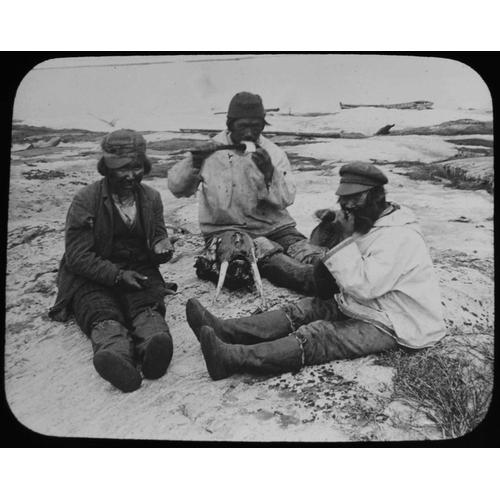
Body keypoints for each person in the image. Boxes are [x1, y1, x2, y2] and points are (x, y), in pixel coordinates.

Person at [185, 163, 447, 381]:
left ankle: (231, 359)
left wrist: (343, 239)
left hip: (398, 320)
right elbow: (330, 270)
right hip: (371, 304)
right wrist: (330, 230)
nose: (349, 207)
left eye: (356, 199)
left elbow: (365, 286)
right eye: (345, 201)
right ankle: (225, 331)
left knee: (320, 335)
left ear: (378, 196)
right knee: (305, 308)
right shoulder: (373, 218)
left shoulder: (400, 235)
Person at [49, 129, 176, 393]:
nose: (131, 175)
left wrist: (161, 247)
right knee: (101, 310)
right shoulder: (86, 199)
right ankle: (117, 359)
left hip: (139, 268)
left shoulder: (151, 197)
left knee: (146, 304)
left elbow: (158, 234)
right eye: (122, 168)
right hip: (89, 272)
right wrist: (117, 276)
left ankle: (154, 347)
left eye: (137, 167)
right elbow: (77, 257)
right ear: (106, 168)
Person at [167, 91, 317, 295]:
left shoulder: (273, 153)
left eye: (255, 127)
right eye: (242, 127)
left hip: (275, 227)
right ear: (229, 125)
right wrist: (194, 162)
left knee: (308, 252)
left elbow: (287, 199)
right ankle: (309, 280)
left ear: (263, 127)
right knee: (266, 258)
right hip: (225, 229)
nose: (248, 133)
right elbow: (177, 189)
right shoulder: (211, 151)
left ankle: (324, 273)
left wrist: (269, 172)